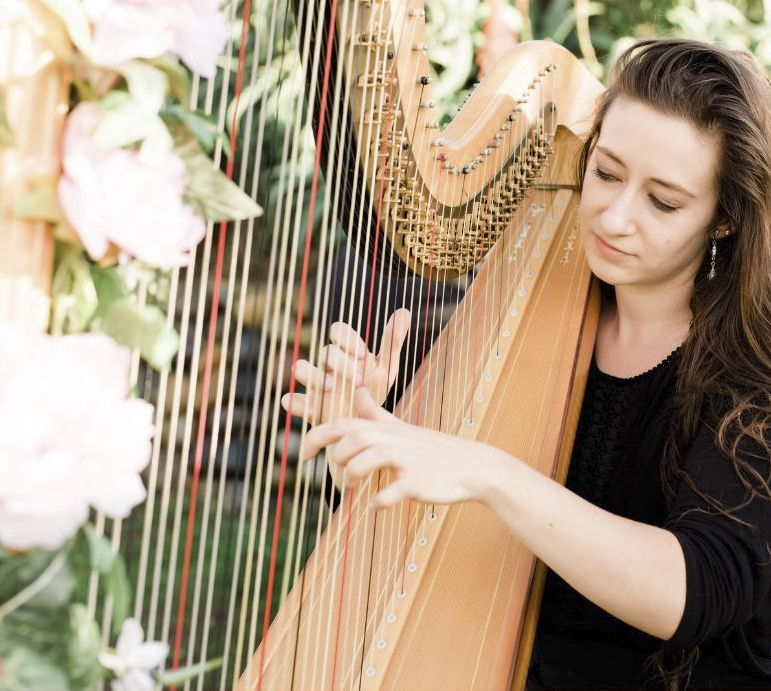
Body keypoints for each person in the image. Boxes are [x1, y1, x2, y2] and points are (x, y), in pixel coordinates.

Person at [281, 38, 771, 690]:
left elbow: (694, 588)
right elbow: (447, 540)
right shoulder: (534, 307)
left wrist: (488, 471)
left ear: (723, 219)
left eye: (663, 201)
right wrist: (366, 445)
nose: (615, 216)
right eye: (604, 172)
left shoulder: (750, 369)